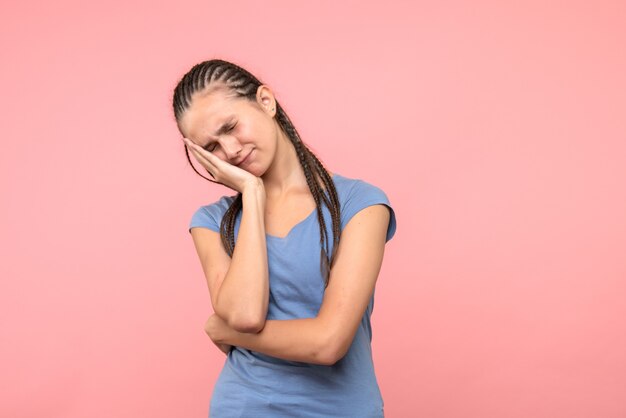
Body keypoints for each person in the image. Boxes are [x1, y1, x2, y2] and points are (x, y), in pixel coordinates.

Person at [172, 58, 397, 417]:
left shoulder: (361, 204)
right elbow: (245, 314)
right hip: (244, 406)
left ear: (265, 101)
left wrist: (226, 333)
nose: (229, 150)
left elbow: (329, 343)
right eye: (211, 148)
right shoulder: (212, 222)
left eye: (230, 127)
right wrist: (252, 194)